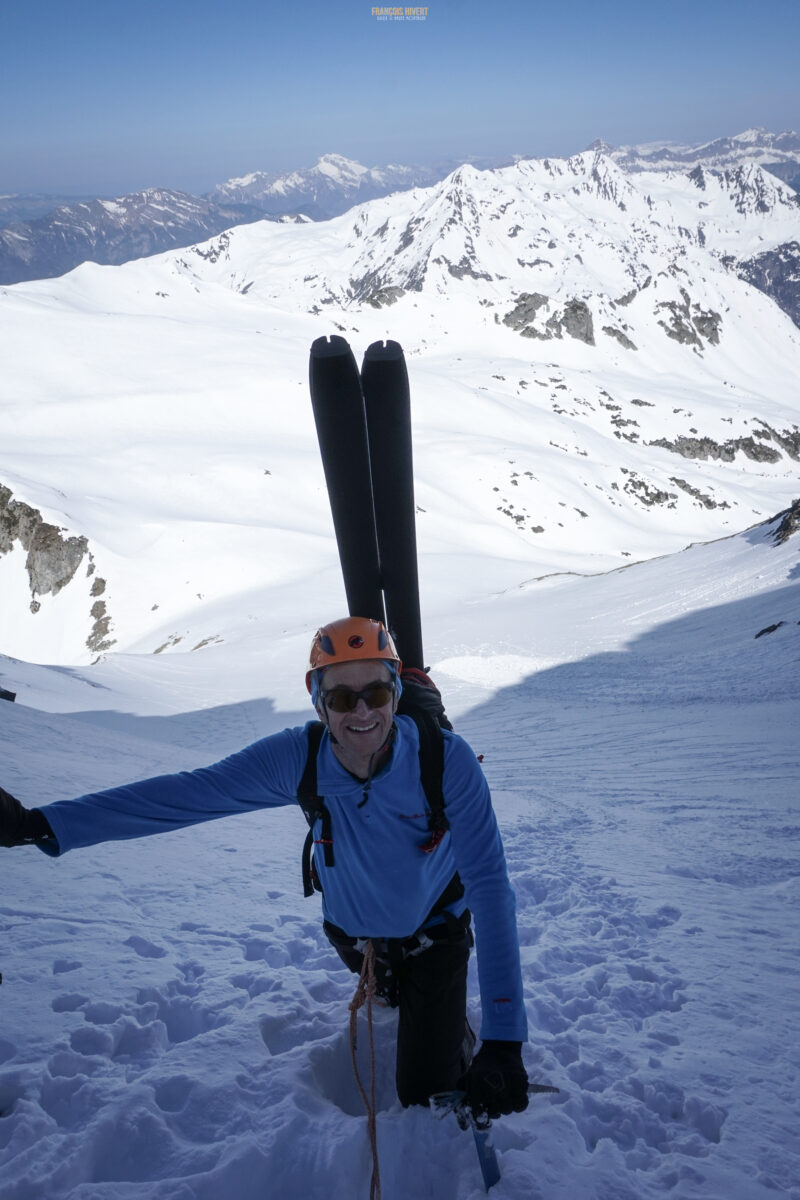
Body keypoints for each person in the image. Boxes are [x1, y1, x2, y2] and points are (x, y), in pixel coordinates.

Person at [1, 616, 529, 1117]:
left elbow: (490, 888)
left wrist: (504, 1039)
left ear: (395, 690)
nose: (362, 713)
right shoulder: (298, 758)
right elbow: (185, 796)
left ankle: (445, 1019)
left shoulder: (445, 759)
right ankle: (399, 985)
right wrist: (43, 824)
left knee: (423, 1094)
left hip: (436, 929)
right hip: (352, 932)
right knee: (389, 991)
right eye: (343, 698)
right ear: (318, 702)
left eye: (377, 693)